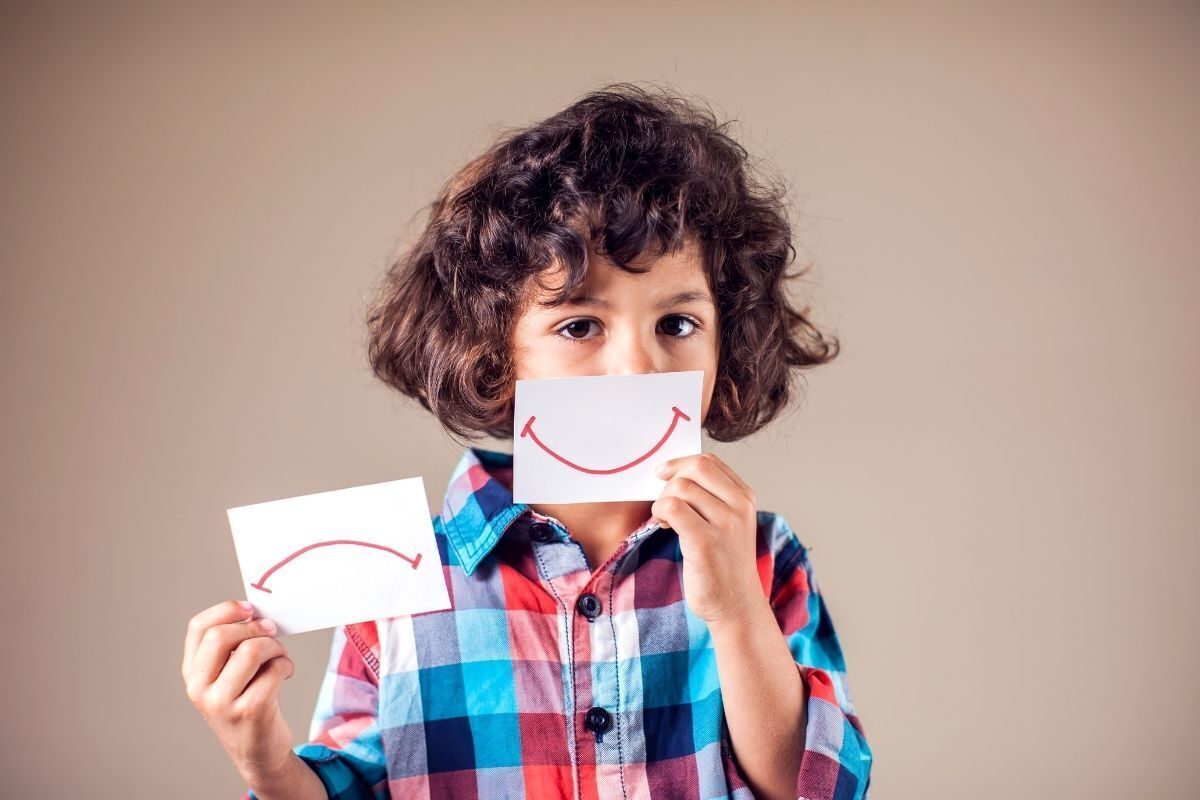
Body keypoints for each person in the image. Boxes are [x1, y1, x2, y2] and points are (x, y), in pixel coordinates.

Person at [182, 81, 873, 800]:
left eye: (677, 324)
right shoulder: (400, 578)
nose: (636, 366)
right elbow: (352, 786)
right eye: (580, 326)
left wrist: (734, 607)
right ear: (494, 353)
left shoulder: (762, 559)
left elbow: (820, 788)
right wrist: (263, 759)